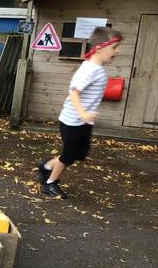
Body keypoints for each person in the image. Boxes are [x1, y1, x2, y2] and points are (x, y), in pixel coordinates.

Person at [37, 27, 123, 198]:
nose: (117, 51)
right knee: (68, 156)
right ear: (99, 48)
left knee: (79, 154)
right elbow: (74, 93)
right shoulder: (88, 70)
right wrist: (82, 112)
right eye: (114, 47)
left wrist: (86, 116)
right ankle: (50, 183)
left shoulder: (98, 69)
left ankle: (46, 166)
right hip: (72, 121)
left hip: (84, 122)